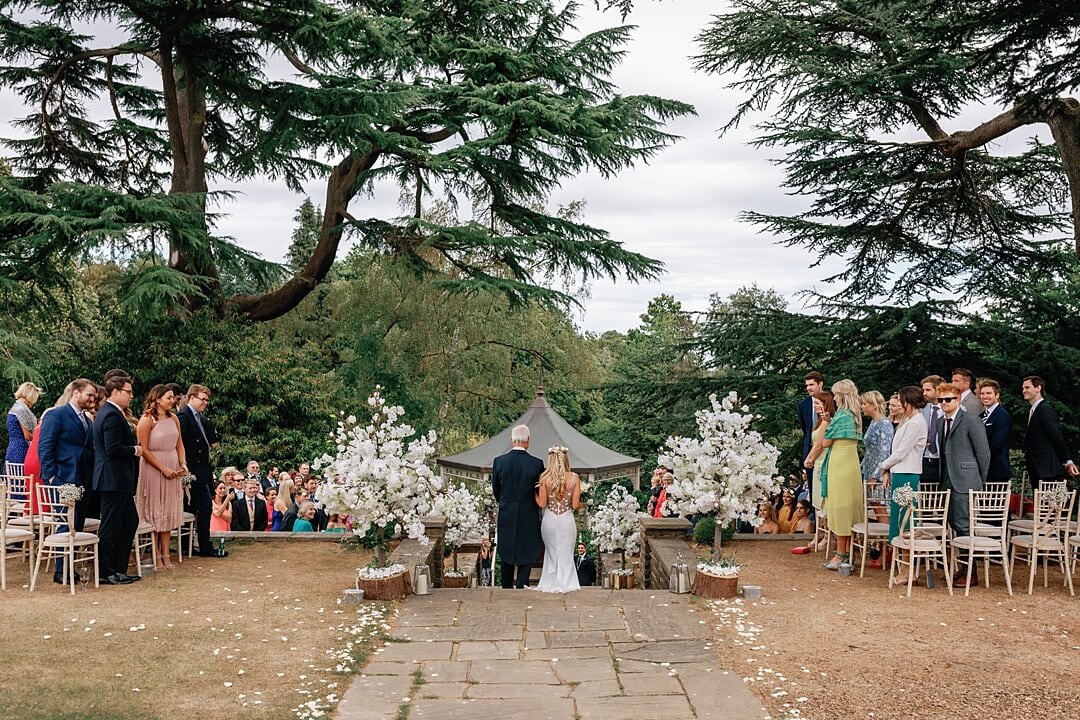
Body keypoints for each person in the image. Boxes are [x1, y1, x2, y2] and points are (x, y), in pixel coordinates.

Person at [37, 379, 97, 583]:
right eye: (89, 395)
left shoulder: (87, 420)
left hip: (83, 478)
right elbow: (45, 447)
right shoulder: (56, 414)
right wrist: (52, 475)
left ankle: (71, 566)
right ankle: (61, 571)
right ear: (75, 392)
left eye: (94, 396)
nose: (92, 399)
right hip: (63, 477)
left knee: (77, 524)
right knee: (65, 523)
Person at [935, 382, 990, 588]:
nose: (944, 404)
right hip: (947, 480)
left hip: (966, 481)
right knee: (953, 524)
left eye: (948, 400)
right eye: (941, 400)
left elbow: (983, 453)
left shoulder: (971, 420)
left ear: (957, 399)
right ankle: (962, 567)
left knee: (965, 525)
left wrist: (979, 480)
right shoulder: (940, 423)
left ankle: (971, 572)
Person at [92, 374, 143, 585]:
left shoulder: (113, 413)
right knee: (111, 526)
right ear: (115, 392)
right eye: (128, 392)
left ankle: (118, 568)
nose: (131, 396)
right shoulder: (111, 415)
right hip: (112, 479)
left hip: (118, 479)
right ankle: (106, 571)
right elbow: (112, 448)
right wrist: (134, 450)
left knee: (130, 521)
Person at [135, 385, 187, 571]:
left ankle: (166, 552)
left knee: (168, 511)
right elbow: (144, 450)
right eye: (169, 398)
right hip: (153, 468)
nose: (172, 401)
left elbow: (179, 443)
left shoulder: (174, 419)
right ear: (157, 399)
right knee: (155, 510)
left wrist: (183, 463)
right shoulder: (146, 420)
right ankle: (156, 554)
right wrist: (163, 468)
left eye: (173, 397)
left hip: (172, 464)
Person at [177, 384, 227, 558]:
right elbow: (180, 443)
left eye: (207, 400)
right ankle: (202, 545)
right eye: (202, 399)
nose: (205, 403)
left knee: (195, 508)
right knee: (203, 507)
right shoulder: (184, 416)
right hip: (192, 470)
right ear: (191, 398)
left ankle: (191, 545)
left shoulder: (199, 418)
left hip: (201, 470)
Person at [491, 424, 544, 589]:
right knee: (526, 550)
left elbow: (496, 490)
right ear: (528, 441)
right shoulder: (536, 464)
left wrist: (506, 502)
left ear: (511, 440)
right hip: (528, 513)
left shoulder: (499, 462)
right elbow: (538, 491)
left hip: (507, 512)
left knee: (506, 549)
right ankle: (522, 586)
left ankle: (506, 587)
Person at [818, 379, 863, 570]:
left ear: (842, 396)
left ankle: (841, 552)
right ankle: (848, 550)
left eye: (836, 394)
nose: (834, 398)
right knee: (847, 507)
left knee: (840, 508)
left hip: (840, 465)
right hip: (849, 463)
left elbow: (825, 442)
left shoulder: (842, 416)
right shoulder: (854, 415)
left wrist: (826, 423)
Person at [880, 386, 929, 543]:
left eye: (902, 401)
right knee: (898, 513)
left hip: (907, 472)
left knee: (904, 516)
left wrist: (883, 466)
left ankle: (904, 551)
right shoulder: (908, 421)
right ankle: (897, 551)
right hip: (900, 471)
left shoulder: (916, 423)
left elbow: (901, 452)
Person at [534, 445, 581, 593]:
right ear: (566, 459)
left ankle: (550, 580)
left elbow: (542, 504)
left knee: (551, 551)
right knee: (566, 551)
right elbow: (575, 504)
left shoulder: (544, 479)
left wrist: (533, 494)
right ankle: (568, 582)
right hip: (566, 519)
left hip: (550, 519)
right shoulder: (574, 478)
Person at [1021, 375, 1078, 487]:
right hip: (1039, 469)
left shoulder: (1044, 409)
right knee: (1040, 503)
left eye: (1027, 387)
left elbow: (1056, 436)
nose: (1024, 391)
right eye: (1023, 388)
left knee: (1048, 504)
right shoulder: (1035, 410)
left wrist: (1067, 460)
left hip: (1047, 470)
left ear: (1038, 388)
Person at [800, 391, 835, 551]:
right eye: (815, 404)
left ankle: (828, 535)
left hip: (823, 461)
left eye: (818, 404)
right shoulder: (819, 421)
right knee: (817, 501)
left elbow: (819, 444)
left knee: (824, 500)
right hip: (816, 462)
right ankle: (819, 533)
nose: (816, 407)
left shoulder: (827, 422)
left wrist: (809, 459)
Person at [860, 391, 894, 505]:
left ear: (873, 405)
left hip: (878, 473)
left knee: (880, 506)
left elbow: (884, 452)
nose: (862, 407)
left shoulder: (884, 424)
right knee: (875, 505)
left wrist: (876, 476)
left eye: (864, 404)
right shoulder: (873, 422)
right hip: (869, 469)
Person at [976, 378, 1012, 485]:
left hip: (997, 470)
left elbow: (996, 444)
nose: (985, 396)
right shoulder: (980, 416)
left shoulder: (1003, 415)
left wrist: (978, 455)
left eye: (988, 393)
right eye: (982, 393)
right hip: (982, 471)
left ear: (997, 395)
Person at [798, 370, 825, 502]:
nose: (808, 388)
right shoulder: (803, 405)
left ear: (820, 384)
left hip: (826, 448)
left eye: (811, 385)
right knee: (813, 488)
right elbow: (805, 429)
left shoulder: (831, 401)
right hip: (809, 450)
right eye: (807, 385)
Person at [6, 381, 42, 469]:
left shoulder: (14, 408)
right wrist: (41, 438)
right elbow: (27, 436)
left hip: (12, 448)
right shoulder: (22, 410)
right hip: (21, 450)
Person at [920, 375, 945, 484]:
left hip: (943, 460)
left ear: (938, 389)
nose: (924, 393)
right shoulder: (922, 410)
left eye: (928, 390)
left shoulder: (951, 409)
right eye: (923, 390)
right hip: (924, 459)